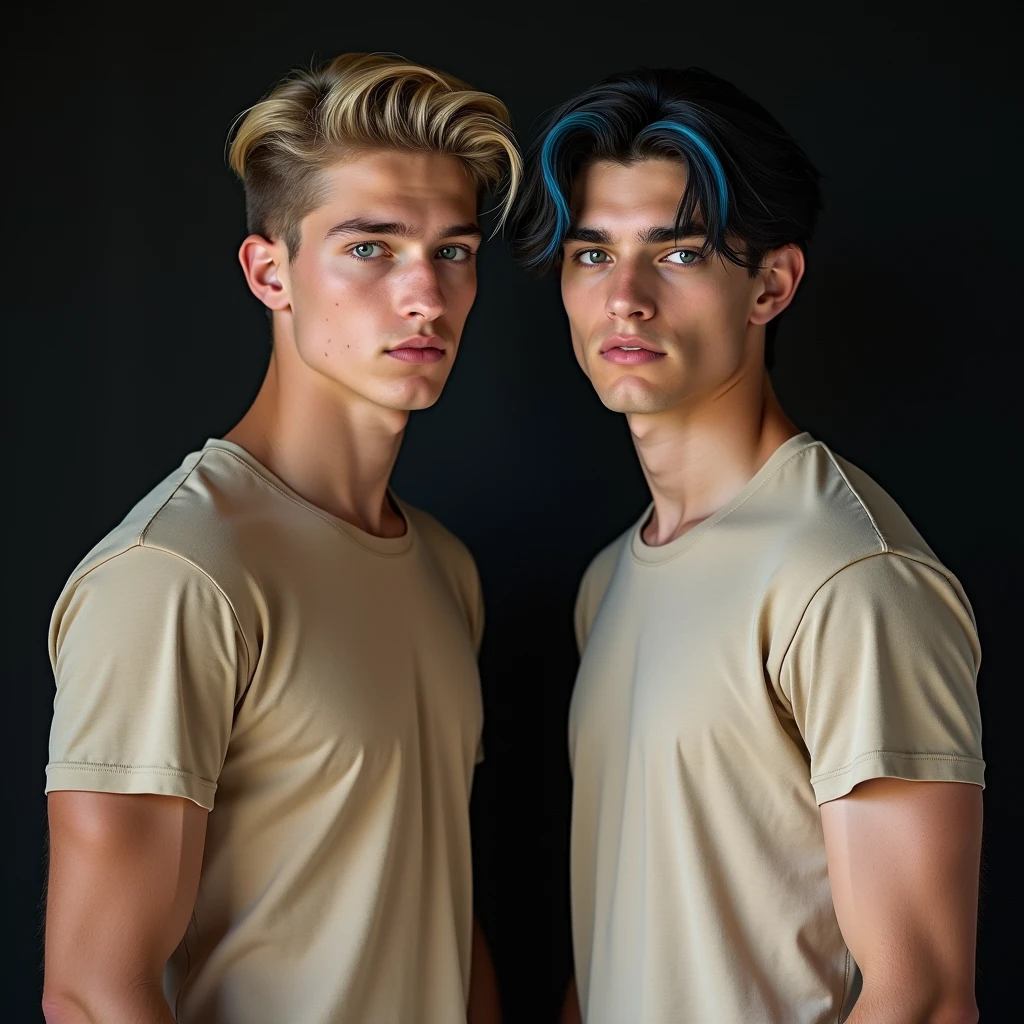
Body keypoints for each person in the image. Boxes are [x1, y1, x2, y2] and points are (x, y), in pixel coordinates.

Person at [42, 52, 519, 1024]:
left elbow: (429, 905)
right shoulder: (177, 574)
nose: (424, 294)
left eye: (454, 251)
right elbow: (93, 993)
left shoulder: (441, 567)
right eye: (371, 248)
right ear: (271, 272)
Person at [508, 68, 984, 1024]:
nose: (625, 299)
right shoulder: (613, 576)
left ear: (771, 284)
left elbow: (923, 997)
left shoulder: (846, 576)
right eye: (592, 254)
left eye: (677, 255)